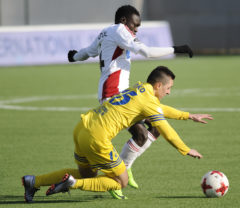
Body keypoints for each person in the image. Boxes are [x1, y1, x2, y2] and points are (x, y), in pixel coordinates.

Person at [22, 66, 213, 202]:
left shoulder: (139, 89)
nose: (169, 92)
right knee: (120, 182)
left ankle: (34, 181)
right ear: (157, 85)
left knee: (87, 174)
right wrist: (185, 149)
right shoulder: (148, 101)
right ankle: (71, 184)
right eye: (168, 88)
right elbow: (167, 131)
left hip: (82, 128)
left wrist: (188, 116)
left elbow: (160, 109)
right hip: (97, 137)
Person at [67, 5, 194, 192]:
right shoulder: (120, 30)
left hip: (115, 93)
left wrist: (74, 56)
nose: (136, 29)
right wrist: (177, 48)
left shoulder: (107, 32)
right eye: (135, 25)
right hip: (114, 95)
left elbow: (88, 51)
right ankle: (119, 176)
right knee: (144, 133)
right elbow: (147, 52)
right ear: (124, 21)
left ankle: (123, 170)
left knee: (154, 128)